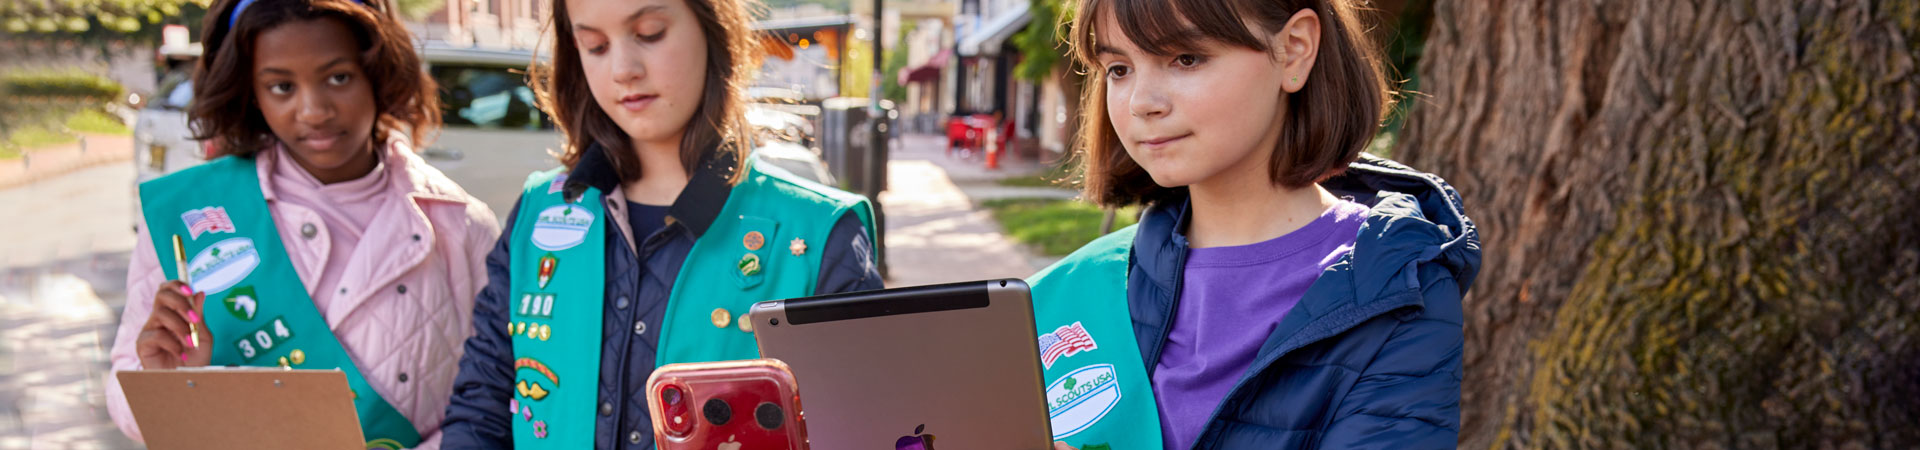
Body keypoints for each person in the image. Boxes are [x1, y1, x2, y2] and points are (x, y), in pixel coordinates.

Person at [1032, 0, 1481, 448]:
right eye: (1118, 68)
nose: (1140, 103)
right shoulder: (1075, 288)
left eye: (1185, 58)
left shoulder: (1395, 289)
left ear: (1295, 50)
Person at [437, 0, 884, 447]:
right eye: (594, 45)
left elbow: (864, 431)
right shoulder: (537, 210)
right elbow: (482, 402)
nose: (622, 69)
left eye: (650, 33)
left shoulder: (821, 233)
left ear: (713, 29)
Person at [104, 0, 499, 448]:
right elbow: (124, 391)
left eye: (338, 78)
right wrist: (171, 383)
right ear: (251, 92)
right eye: (281, 87)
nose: (313, 110)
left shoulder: (460, 224)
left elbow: (493, 395)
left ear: (378, 71)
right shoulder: (191, 217)